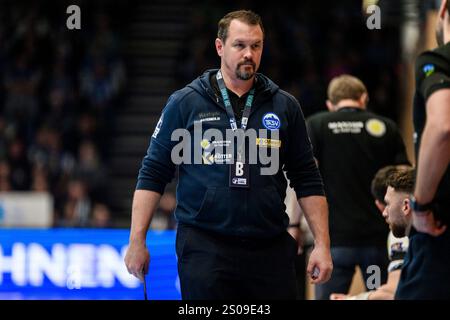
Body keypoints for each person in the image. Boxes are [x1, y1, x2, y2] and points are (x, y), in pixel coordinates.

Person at [124, 10, 332, 299]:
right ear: (220, 47)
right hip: (204, 246)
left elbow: (307, 178)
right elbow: (153, 172)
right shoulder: (185, 104)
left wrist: (322, 244)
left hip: (268, 247)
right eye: (240, 45)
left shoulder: (285, 107)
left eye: (256, 46)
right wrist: (137, 240)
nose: (249, 54)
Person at [307, 74, 410, 300]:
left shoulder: (316, 125)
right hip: (375, 243)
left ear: (330, 104)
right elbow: (405, 180)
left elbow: (305, 179)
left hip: (333, 244)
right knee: (377, 296)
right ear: (364, 98)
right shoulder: (386, 127)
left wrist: (295, 225)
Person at [395, 0, 450, 300]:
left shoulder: (437, 60)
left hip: (440, 233)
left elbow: (442, 127)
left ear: (441, 10)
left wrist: (422, 207)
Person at [331, 167, 414, 300]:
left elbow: (390, 293)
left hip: (341, 245)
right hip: (372, 252)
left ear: (378, 204)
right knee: (373, 287)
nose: (384, 212)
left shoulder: (399, 235)